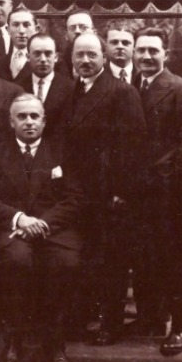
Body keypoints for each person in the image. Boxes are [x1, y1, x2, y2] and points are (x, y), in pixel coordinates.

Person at [0, 94, 83, 362]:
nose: (29, 122)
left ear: (44, 120)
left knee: (66, 263)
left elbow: (74, 199)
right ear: (11, 121)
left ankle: (55, 343)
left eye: (34, 116)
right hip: (13, 229)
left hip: (54, 229)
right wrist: (20, 219)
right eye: (22, 117)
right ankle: (14, 339)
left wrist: (42, 222)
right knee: (15, 262)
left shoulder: (62, 152)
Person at [61, 31, 147, 344]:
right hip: (79, 194)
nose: (85, 61)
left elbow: (133, 147)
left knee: (111, 261)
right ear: (71, 58)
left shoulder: (121, 92)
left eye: (92, 55)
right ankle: (84, 319)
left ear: (104, 57)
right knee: (86, 259)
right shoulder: (73, 90)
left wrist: (121, 192)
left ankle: (110, 324)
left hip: (109, 195)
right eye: (79, 55)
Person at [132, 28, 182, 355]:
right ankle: (150, 318)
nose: (146, 56)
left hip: (168, 190)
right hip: (139, 190)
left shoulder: (179, 89)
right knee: (145, 255)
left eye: (153, 51)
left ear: (166, 54)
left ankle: (181, 327)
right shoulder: (132, 87)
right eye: (141, 50)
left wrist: (170, 181)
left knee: (174, 260)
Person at [14, 32, 74, 136]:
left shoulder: (71, 88)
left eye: (48, 54)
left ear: (55, 57)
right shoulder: (17, 89)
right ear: (28, 57)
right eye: (37, 54)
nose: (43, 59)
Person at [5, 7, 38, 82]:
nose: (21, 31)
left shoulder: (47, 61)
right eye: (16, 25)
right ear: (8, 30)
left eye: (26, 25)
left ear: (36, 30)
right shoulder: (0, 63)